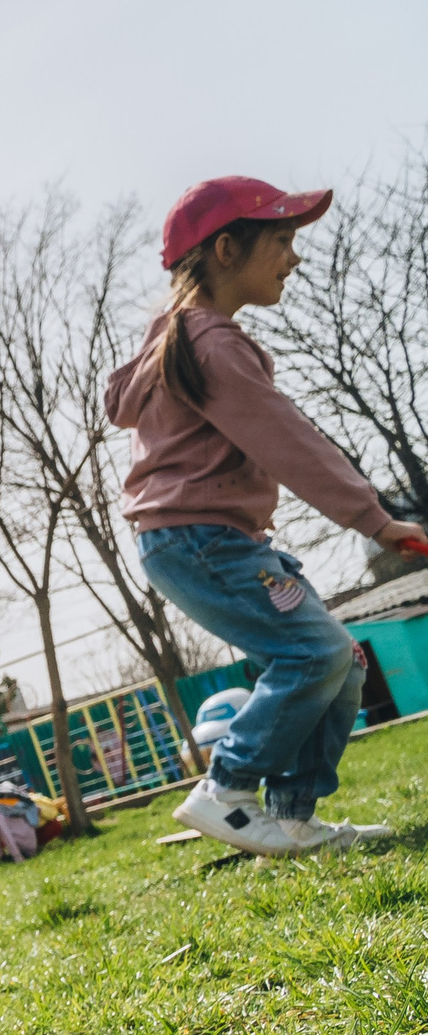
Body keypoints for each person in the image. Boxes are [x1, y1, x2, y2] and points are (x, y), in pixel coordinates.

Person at [107, 177, 428, 856]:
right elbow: (289, 439)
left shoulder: (184, 342)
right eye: (281, 240)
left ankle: (290, 815)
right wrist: (374, 519)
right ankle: (225, 789)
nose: (294, 256)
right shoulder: (211, 345)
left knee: (338, 660)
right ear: (227, 249)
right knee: (311, 653)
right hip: (202, 541)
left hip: (205, 539)